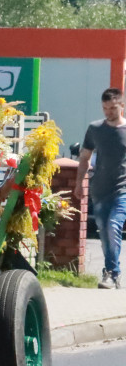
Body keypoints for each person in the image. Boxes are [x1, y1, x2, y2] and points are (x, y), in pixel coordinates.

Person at [75, 88, 126, 289]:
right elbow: (85, 158)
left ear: (122, 105)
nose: (108, 112)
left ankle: (112, 273)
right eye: (105, 108)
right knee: (104, 234)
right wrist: (79, 183)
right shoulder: (95, 128)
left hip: (122, 191)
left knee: (113, 227)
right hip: (99, 191)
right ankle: (111, 271)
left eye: (112, 108)